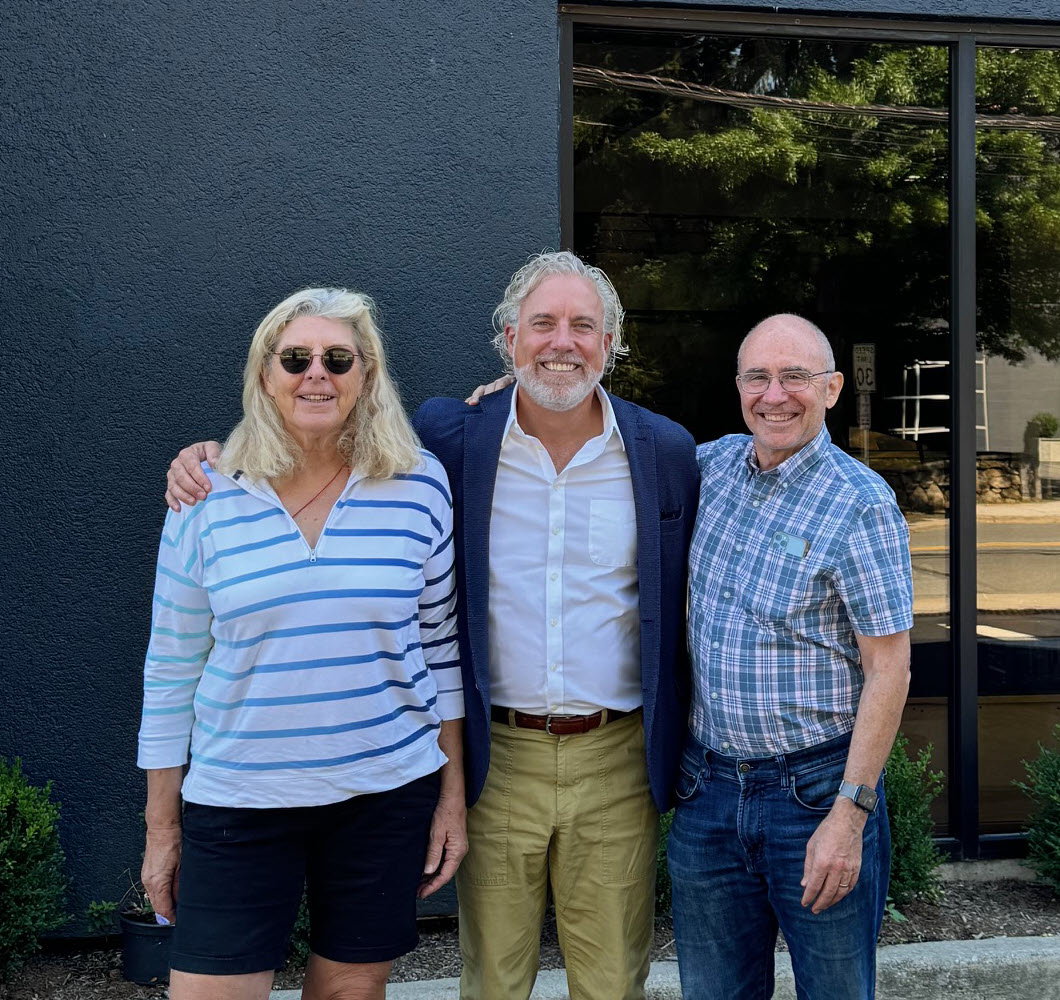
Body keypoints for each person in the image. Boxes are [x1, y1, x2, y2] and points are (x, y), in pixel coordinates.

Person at [164, 253, 699, 1000]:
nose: (562, 342)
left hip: (615, 755)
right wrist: (208, 457)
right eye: (542, 323)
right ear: (508, 339)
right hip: (497, 754)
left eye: (584, 325)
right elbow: (328, 437)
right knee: (492, 979)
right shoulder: (452, 437)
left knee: (613, 979)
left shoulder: (664, 450)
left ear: (611, 342)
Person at [139, 287, 466, 1000]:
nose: (316, 373)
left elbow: (441, 651)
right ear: (264, 375)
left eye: (338, 359)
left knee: (352, 989)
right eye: (295, 358)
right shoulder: (205, 493)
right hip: (240, 798)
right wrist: (161, 828)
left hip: (385, 791)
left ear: (368, 376)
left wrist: (451, 795)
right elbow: (169, 669)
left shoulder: (419, 486)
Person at [668, 313, 913, 1000]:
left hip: (814, 795)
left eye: (795, 377)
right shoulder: (708, 468)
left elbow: (889, 668)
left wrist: (849, 814)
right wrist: (520, 394)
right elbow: (606, 447)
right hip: (707, 793)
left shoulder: (860, 503)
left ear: (832, 388)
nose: (775, 394)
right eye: (759, 377)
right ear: (739, 386)